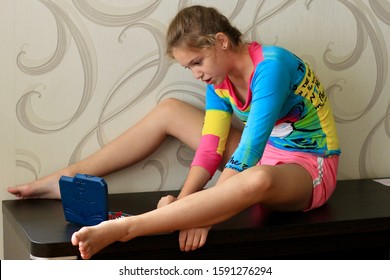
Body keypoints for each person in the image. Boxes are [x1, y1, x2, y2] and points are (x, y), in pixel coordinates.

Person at [8, 5, 340, 259]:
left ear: (221, 42)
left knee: (256, 179)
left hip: (309, 166)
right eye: (188, 67)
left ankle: (128, 228)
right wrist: (184, 202)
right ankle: (68, 178)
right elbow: (211, 148)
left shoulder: (271, 67)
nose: (195, 74)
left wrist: (205, 213)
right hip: (265, 152)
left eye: (197, 62)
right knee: (170, 110)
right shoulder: (219, 81)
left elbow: (249, 152)